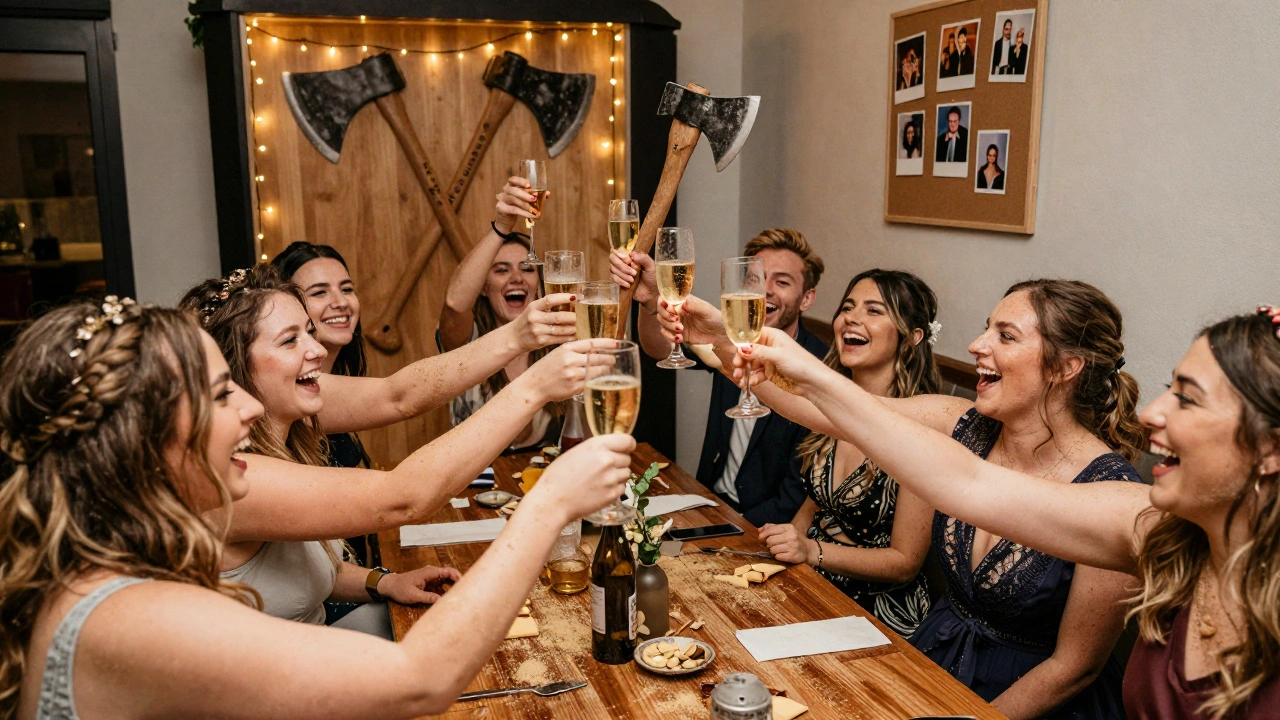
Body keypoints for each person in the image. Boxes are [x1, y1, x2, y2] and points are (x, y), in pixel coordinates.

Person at [0, 299, 635, 719]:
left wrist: (382, 581)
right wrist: (549, 503)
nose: (248, 410)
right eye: (222, 396)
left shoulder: (124, 568)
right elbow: (421, 676)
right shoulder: (126, 614)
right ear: (145, 437)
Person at [733, 307, 1280, 720]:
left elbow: (1075, 668)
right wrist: (739, 346)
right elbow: (967, 483)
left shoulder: (1125, 497)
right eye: (1166, 390)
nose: (1154, 414)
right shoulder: (1160, 531)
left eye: (1187, 398)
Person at [659, 280, 1144, 719]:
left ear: (1066, 367)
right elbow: (829, 412)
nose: (977, 345)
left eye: (1006, 336)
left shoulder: (1111, 493)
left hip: (1028, 702)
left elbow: (1073, 668)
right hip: (935, 656)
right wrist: (726, 341)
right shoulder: (967, 424)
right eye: (985, 329)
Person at [180, 265, 590, 634]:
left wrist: (383, 581)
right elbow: (403, 498)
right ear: (235, 371)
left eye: (309, 330)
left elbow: (398, 395)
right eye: (290, 340)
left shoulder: (287, 406)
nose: (318, 350)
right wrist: (534, 388)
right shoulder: (232, 474)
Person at [757, 270, 941, 638]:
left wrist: (810, 551)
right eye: (848, 307)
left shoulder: (923, 430)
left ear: (911, 337)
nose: (852, 318)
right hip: (814, 588)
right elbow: (814, 508)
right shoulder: (829, 409)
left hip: (878, 616)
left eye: (874, 310)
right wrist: (780, 546)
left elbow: (905, 562)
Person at [610, 228, 827, 526]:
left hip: (765, 527)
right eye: (754, 279)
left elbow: (796, 498)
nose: (765, 290)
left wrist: (728, 530)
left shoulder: (820, 368)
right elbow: (660, 349)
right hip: (707, 502)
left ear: (807, 298)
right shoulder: (732, 336)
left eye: (782, 281)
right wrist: (650, 301)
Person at [271, 242, 375, 576]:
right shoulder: (290, 393)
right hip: (323, 596)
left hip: (350, 578)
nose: (340, 302)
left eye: (346, 289)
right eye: (319, 292)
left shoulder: (332, 377)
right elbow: (398, 396)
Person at [438, 177, 560, 452]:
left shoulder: (556, 340)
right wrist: (501, 227)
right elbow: (455, 304)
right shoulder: (467, 342)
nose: (516, 278)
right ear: (482, 286)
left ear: (539, 284)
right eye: (502, 270)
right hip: (474, 484)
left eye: (527, 269)